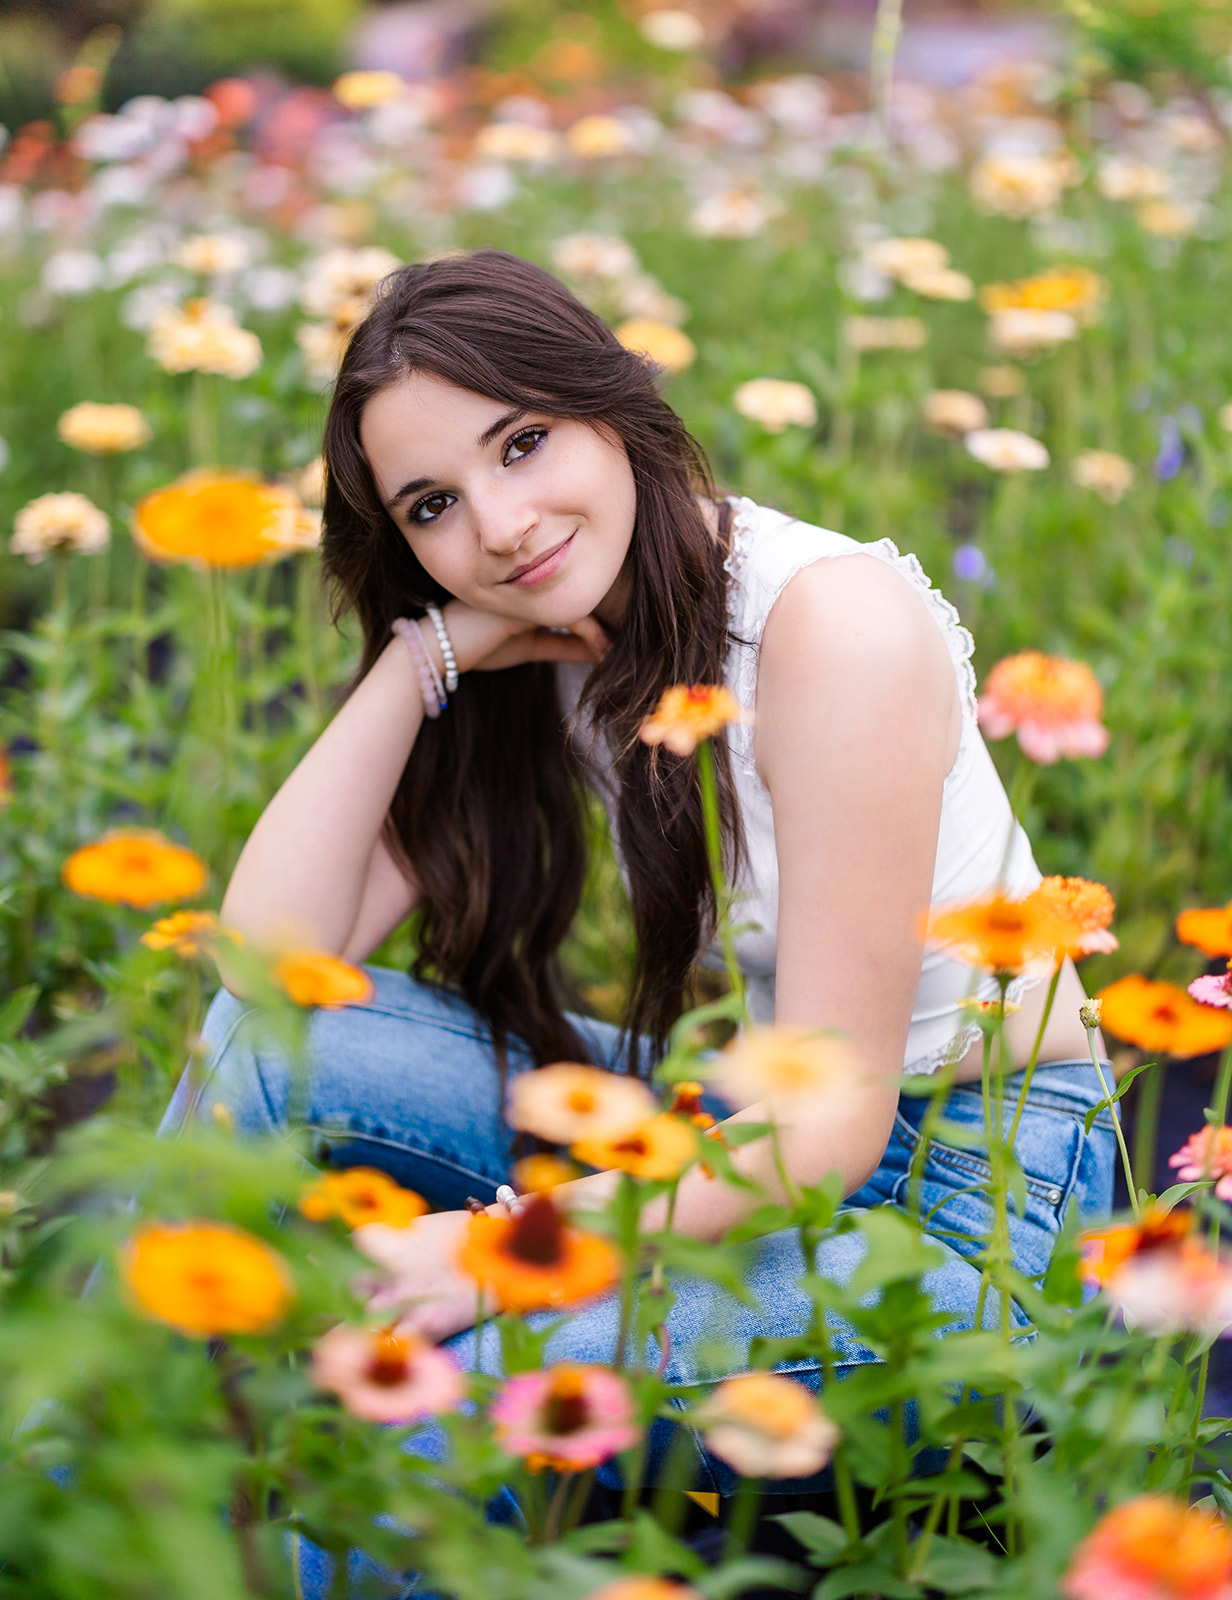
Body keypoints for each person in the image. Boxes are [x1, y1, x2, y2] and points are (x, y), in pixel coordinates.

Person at [169, 248, 1114, 1527]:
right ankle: (94, 1485)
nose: (497, 527)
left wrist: (486, 1252)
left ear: (612, 407)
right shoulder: (552, 629)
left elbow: (828, 1134)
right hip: (732, 1123)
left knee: (419, 1399)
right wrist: (424, 659)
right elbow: (271, 975)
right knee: (257, 1046)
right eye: (431, 505)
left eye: (521, 444)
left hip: (969, 1205)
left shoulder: (824, 626)